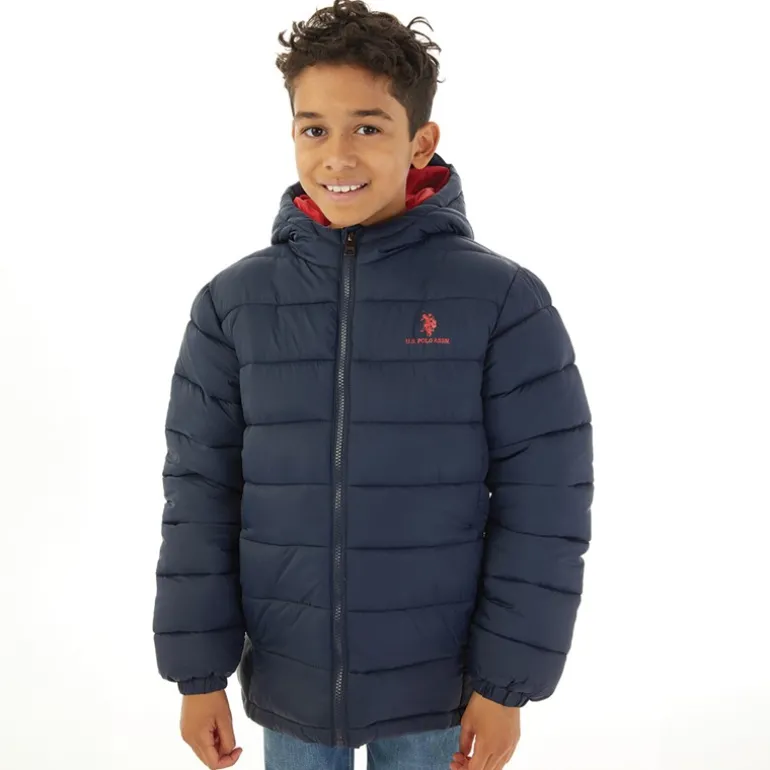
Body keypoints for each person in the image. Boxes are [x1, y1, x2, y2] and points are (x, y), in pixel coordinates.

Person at [152, 2, 594, 769]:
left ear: (420, 140)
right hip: (289, 678)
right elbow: (199, 495)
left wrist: (506, 686)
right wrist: (200, 674)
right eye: (314, 129)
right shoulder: (233, 305)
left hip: (436, 688)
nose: (337, 156)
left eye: (367, 126)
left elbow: (546, 503)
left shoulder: (501, 302)